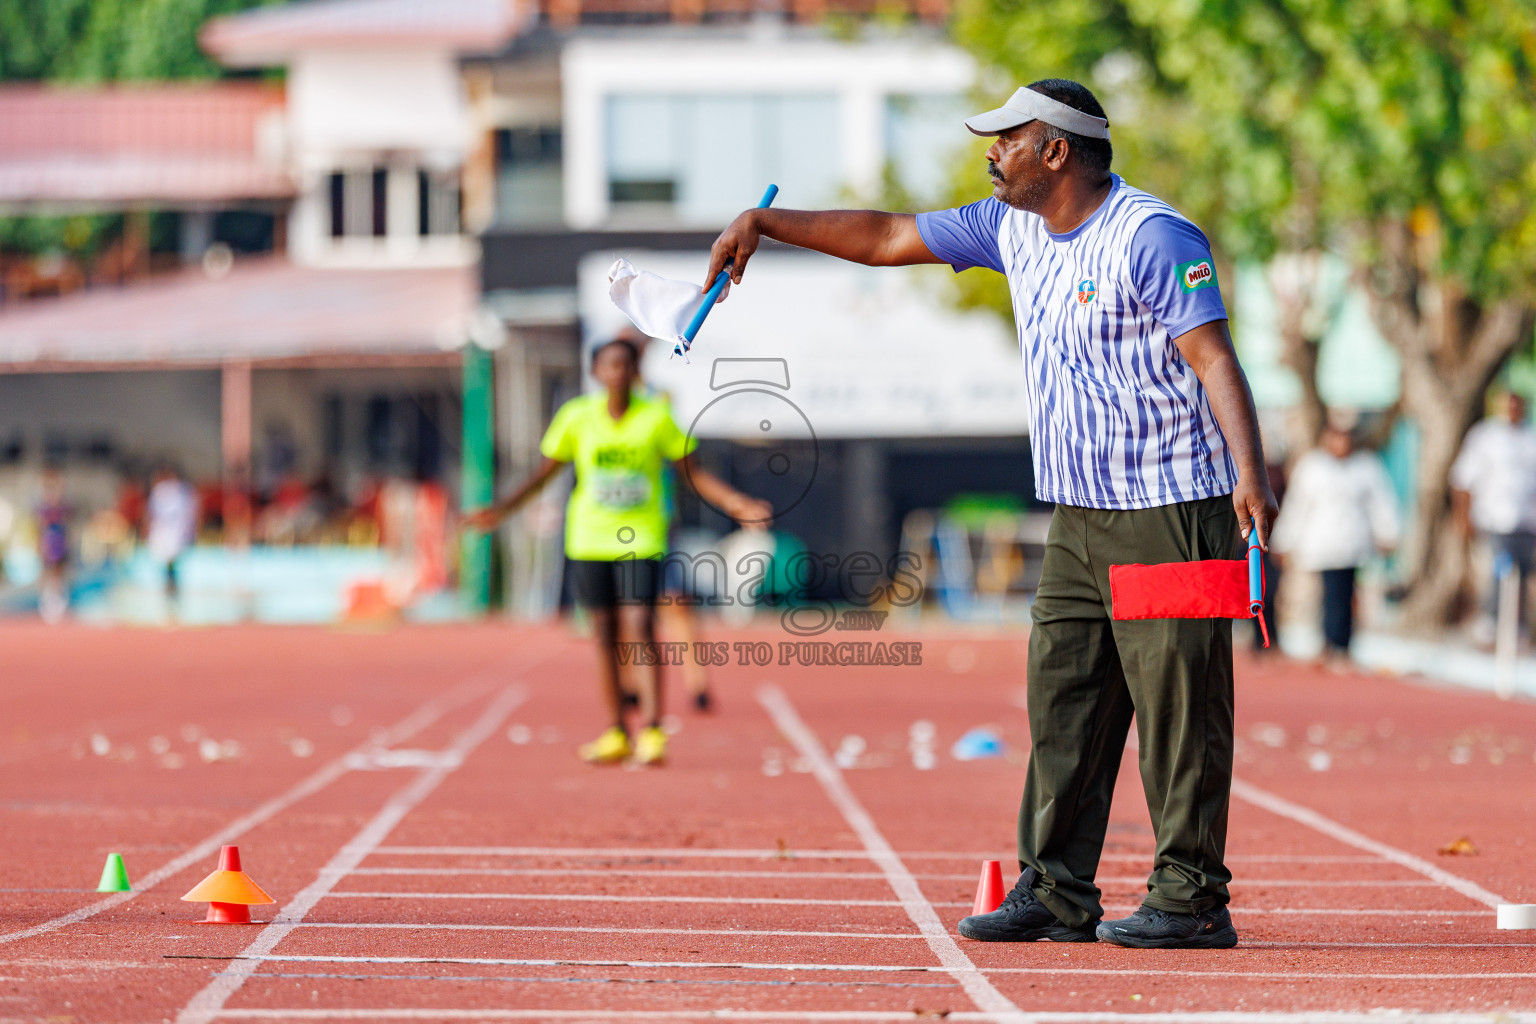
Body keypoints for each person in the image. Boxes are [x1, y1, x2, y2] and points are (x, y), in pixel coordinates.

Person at [706, 78, 1276, 948]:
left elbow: (1215, 359)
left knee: (1178, 714)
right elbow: (887, 236)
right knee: (1063, 705)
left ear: (1057, 151)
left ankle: (1191, 897)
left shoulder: (1152, 235)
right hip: (1078, 517)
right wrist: (766, 222)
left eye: (1007, 139)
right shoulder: (1010, 226)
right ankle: (1055, 890)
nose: (992, 153)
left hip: (1170, 507)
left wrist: (1251, 474)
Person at [466, 337, 771, 765]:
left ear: (636, 372)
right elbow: (543, 475)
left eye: (625, 365)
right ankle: (615, 731)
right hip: (590, 538)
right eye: (609, 365)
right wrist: (502, 510)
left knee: (640, 624)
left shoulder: (656, 417)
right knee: (605, 634)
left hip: (641, 538)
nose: (618, 373)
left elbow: (694, 474)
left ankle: (652, 729)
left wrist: (737, 503)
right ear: (595, 373)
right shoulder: (576, 417)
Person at [1270, 420, 1400, 663]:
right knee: (1329, 596)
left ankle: (1343, 643)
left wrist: (1388, 533)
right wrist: (1284, 541)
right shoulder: (1312, 467)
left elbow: (1381, 503)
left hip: (1352, 543)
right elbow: (1297, 507)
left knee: (1346, 595)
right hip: (1321, 544)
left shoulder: (1366, 467)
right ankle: (1330, 642)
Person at [1451, 391, 1536, 641]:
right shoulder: (1485, 437)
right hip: (1493, 520)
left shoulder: (1530, 438)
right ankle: (1490, 622)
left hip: (1526, 522)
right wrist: (1463, 517)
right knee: (1498, 572)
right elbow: (1462, 479)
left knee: (1521, 575)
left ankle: (1516, 626)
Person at [146, 463, 199, 602]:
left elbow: (191, 513)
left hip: (176, 534)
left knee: (173, 562)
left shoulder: (182, 492)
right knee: (167, 562)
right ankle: (169, 587)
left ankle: (172, 588)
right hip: (165, 535)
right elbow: (151, 514)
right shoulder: (161, 491)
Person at [36, 467, 72, 624]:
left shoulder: (61, 507)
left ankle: (58, 600)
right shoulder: (44, 507)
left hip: (59, 539)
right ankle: (47, 600)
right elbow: (41, 526)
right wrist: (40, 544)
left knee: (58, 571)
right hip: (49, 539)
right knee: (47, 570)